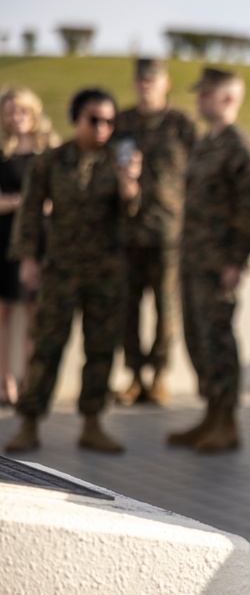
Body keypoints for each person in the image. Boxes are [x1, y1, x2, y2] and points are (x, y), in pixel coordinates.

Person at [4, 88, 142, 453]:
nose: (102, 128)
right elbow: (30, 212)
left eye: (110, 121)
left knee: (100, 349)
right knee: (47, 347)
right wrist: (28, 260)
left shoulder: (118, 161)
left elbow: (132, 215)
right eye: (94, 119)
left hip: (106, 271)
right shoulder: (51, 161)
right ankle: (29, 423)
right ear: (76, 118)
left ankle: (92, 424)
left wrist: (130, 186)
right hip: (61, 269)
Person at [167, 67, 250, 453]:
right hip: (193, 261)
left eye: (205, 94)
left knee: (218, 341)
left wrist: (236, 261)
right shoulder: (206, 143)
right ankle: (211, 415)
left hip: (218, 265)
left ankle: (226, 423)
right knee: (198, 340)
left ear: (226, 98)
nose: (198, 100)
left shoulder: (241, 146)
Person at [112, 58, 196, 406]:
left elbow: (196, 175)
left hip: (168, 232)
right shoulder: (122, 123)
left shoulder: (181, 124)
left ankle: (159, 376)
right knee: (127, 308)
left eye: (153, 79)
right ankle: (133, 376)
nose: (146, 85)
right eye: (141, 80)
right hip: (127, 232)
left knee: (165, 308)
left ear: (165, 83)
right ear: (135, 84)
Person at [0, 87, 58, 407]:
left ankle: (28, 383)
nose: (16, 117)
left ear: (33, 113)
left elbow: (58, 201)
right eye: (9, 111)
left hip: (40, 240)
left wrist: (17, 203)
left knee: (36, 312)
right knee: (3, 311)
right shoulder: (1, 152)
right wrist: (27, 202)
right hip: (4, 238)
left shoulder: (48, 152)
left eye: (21, 110)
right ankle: (3, 380)